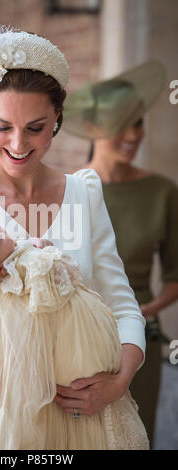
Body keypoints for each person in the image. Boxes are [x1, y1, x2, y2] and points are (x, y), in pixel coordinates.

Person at [0, 23, 146, 450]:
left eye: (36, 127)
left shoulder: (84, 192)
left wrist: (120, 379)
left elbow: (122, 303)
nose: (19, 144)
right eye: (3, 126)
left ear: (58, 118)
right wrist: (62, 303)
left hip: (88, 416)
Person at [0, 220, 149, 449]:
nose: (1, 230)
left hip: (98, 383)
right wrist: (41, 255)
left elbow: (123, 306)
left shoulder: (9, 257)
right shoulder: (15, 277)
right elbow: (53, 276)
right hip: (66, 384)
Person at [62, 61, 178, 445]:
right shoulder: (68, 190)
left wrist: (140, 313)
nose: (133, 134)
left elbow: (176, 275)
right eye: (121, 123)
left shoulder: (163, 192)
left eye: (139, 122)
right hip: (77, 341)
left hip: (139, 341)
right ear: (93, 128)